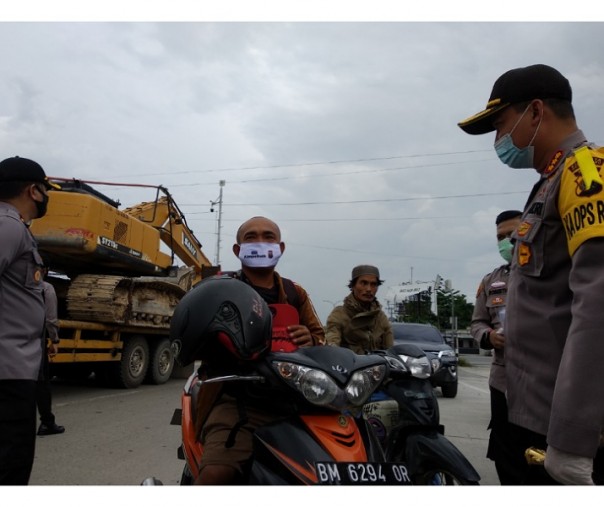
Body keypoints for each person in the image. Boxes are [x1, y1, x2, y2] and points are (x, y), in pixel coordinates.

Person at [458, 64, 604, 485]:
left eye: (500, 125)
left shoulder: (584, 175)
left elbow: (596, 309)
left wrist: (574, 440)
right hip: (529, 412)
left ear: (536, 112)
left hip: (561, 428)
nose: (498, 140)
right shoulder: (548, 183)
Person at [193, 216, 325, 485]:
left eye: (269, 236)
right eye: (251, 237)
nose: (260, 242)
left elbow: (322, 340)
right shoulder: (218, 289)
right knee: (216, 474)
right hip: (236, 399)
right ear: (237, 249)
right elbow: (195, 337)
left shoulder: (295, 292)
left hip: (294, 398)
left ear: (281, 247)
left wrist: (309, 338)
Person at [0, 156, 59, 485]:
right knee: (12, 468)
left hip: (14, 371)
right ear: (33, 190)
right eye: (45, 190)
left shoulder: (14, 227)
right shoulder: (8, 226)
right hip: (8, 376)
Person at [470, 209, 522, 484]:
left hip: (545, 380)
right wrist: (489, 336)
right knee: (505, 451)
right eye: (500, 237)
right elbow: (477, 323)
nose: (506, 242)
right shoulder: (491, 281)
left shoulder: (551, 271)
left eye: (512, 235)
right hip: (502, 380)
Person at [325, 264, 393, 354]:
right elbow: (332, 344)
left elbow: (391, 351)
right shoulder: (339, 314)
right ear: (353, 286)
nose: (369, 289)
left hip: (377, 365)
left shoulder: (380, 317)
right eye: (364, 283)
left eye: (373, 284)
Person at [36, 271, 65, 436]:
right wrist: (54, 340)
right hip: (34, 341)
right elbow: (50, 318)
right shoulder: (45, 288)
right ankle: (47, 423)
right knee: (40, 383)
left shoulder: (10, 285)